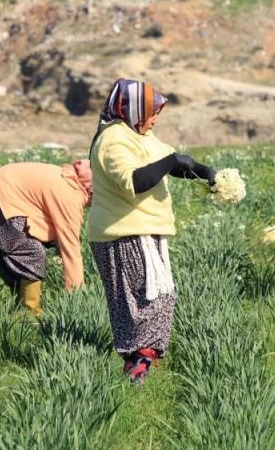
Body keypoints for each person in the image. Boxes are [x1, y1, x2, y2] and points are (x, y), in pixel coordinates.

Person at [88, 78, 216, 384]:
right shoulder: (112, 140)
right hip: (122, 232)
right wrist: (171, 161)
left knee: (158, 296)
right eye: (151, 111)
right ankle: (138, 363)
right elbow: (134, 181)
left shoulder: (143, 135)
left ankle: (142, 360)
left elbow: (172, 163)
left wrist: (207, 173)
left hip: (146, 231)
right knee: (145, 299)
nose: (156, 117)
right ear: (131, 110)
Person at [0, 159, 94, 317]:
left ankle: (20, 304)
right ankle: (29, 312)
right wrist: (77, 298)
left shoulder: (68, 181)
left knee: (25, 248)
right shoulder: (70, 196)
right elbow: (71, 249)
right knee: (31, 252)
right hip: (0, 193)